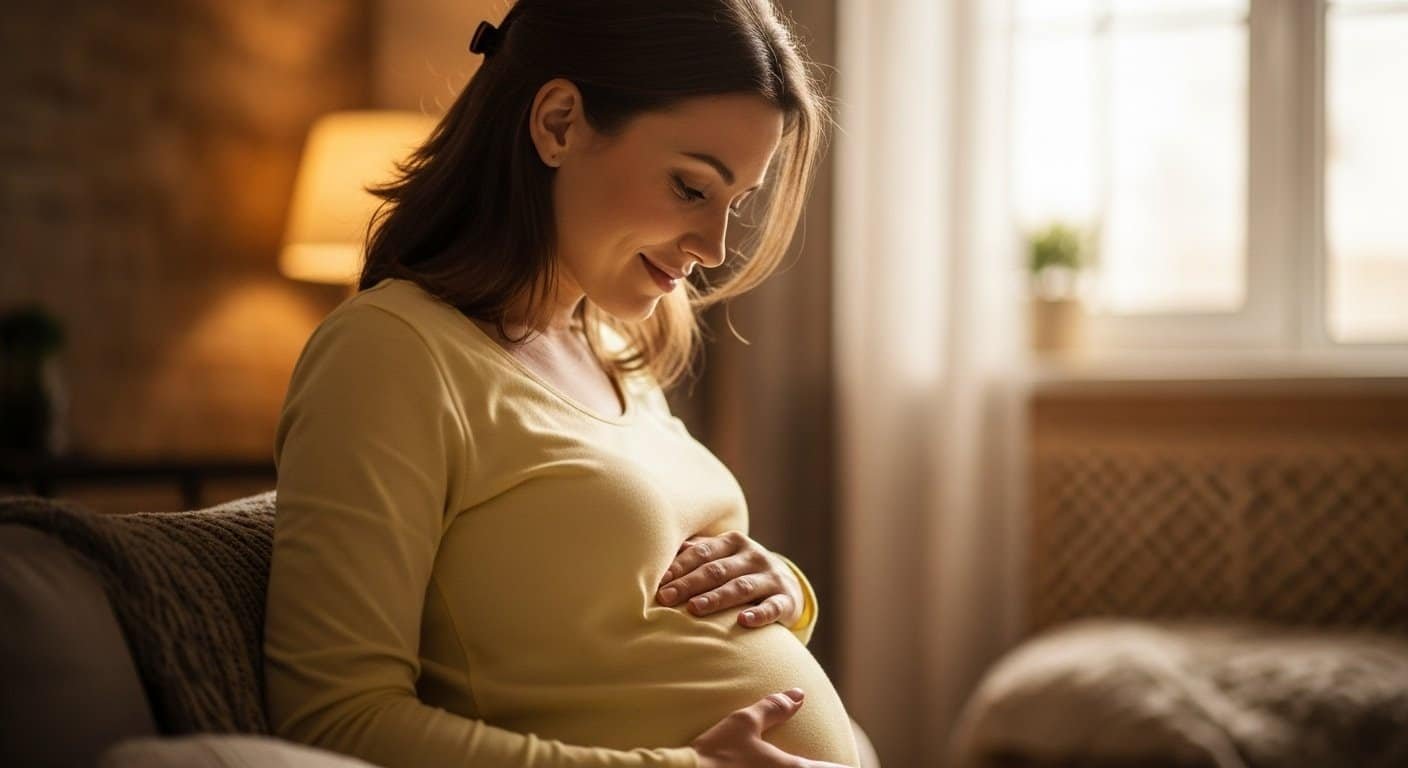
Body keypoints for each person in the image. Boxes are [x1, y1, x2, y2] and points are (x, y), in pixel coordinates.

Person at [262, 1, 857, 766]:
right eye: (690, 188)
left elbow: (625, 621)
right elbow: (333, 721)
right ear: (558, 123)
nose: (714, 247)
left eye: (734, 203)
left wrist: (783, 592)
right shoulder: (390, 354)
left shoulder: (610, 349)